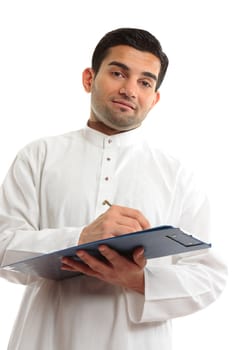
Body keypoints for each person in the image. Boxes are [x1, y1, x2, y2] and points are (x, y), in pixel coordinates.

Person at [0, 27, 227, 350]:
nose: (129, 89)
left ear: (155, 98)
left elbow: (209, 276)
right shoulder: (39, 156)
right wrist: (79, 238)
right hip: (45, 338)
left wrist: (138, 280)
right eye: (118, 73)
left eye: (145, 82)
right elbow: (3, 247)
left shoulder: (177, 175)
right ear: (89, 78)